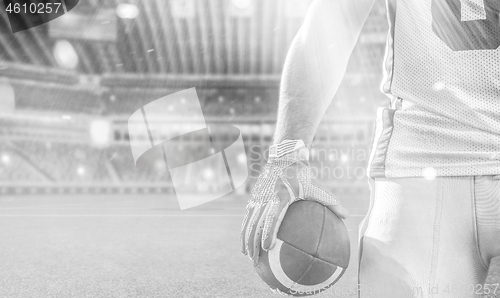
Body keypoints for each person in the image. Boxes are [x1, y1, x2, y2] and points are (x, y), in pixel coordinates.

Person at [240, 0, 500, 297]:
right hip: (420, 163)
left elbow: (328, 26)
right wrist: (285, 157)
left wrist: (286, 156)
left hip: (420, 169)